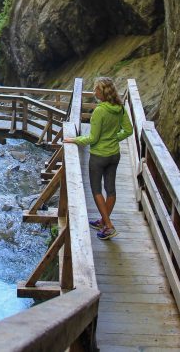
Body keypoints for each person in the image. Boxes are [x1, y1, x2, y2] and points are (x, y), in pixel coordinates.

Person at [63, 77, 133, 240]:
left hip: (99, 156)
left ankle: (108, 226)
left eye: (96, 90)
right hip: (114, 155)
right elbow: (128, 131)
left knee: (96, 190)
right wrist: (115, 138)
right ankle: (103, 221)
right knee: (111, 190)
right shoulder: (119, 108)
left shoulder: (100, 111)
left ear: (102, 92)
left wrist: (75, 140)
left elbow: (93, 139)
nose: (94, 92)